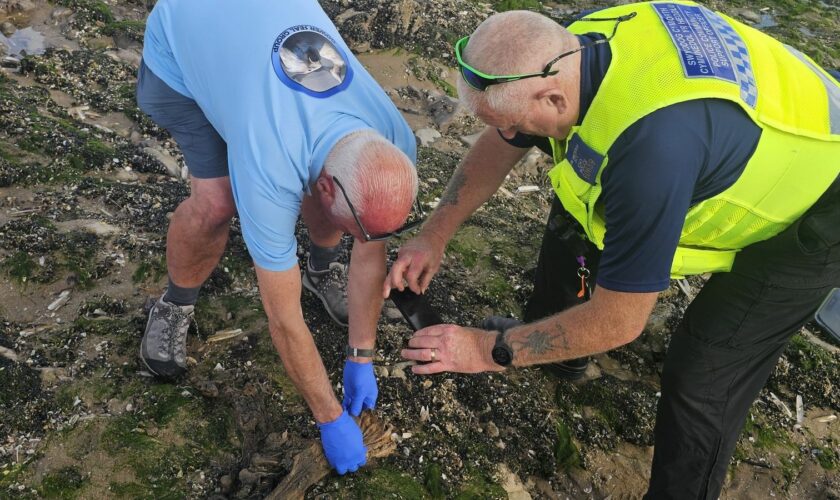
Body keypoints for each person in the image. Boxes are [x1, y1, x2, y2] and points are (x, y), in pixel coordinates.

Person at [384, 1, 840, 497]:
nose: (509, 136)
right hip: (716, 138)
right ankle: (559, 355)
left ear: (555, 100)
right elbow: (504, 139)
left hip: (819, 201)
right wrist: (435, 232)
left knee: (704, 368)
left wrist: (485, 350)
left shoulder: (650, 158)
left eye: (514, 123)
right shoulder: (574, 41)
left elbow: (621, 320)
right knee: (576, 216)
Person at [136, 0, 420, 474]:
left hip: (254, 49)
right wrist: (329, 418)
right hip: (182, 43)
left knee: (350, 210)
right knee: (217, 203)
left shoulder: (393, 139)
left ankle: (320, 270)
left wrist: (361, 354)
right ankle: (174, 303)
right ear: (323, 186)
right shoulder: (269, 166)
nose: (365, 241)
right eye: (359, 233)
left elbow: (371, 248)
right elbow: (283, 319)